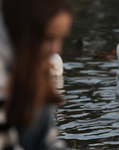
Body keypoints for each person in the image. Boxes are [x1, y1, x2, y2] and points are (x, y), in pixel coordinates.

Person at [0, 0, 72, 149]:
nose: (56, 50)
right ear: (25, 32)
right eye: (48, 38)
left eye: (61, 39)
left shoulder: (35, 70)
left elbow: (45, 140)